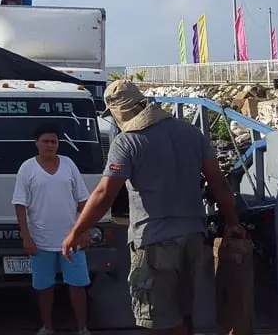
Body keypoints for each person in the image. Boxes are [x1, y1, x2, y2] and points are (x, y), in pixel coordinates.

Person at [61, 79, 244, 335]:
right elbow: (220, 185)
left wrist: (77, 230)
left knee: (158, 320)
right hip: (193, 237)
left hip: (155, 242)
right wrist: (233, 223)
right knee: (184, 312)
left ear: (118, 112)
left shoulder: (127, 142)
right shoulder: (191, 133)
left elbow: (105, 193)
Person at [13, 123, 92, 335]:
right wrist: (26, 238)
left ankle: (82, 328)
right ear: (37, 143)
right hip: (41, 240)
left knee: (78, 285)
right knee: (44, 287)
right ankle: (47, 327)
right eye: (46, 141)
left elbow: (83, 201)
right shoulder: (27, 168)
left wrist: (84, 231)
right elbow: (20, 206)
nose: (50, 145)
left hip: (72, 239)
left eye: (54, 142)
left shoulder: (69, 165)